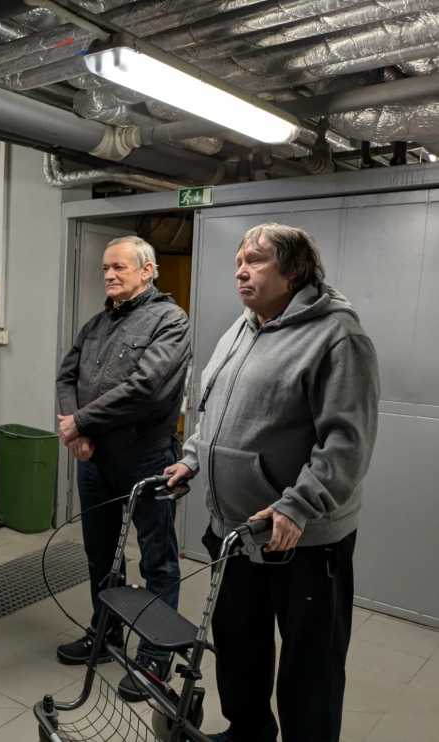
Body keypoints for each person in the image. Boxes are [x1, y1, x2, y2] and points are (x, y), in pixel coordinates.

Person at [164, 224, 379, 742]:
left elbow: (346, 443)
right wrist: (192, 458)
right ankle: (249, 732)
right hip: (236, 532)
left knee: (310, 663)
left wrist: (298, 504)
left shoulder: (338, 337)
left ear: (294, 270)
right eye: (239, 261)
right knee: (239, 642)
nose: (241, 271)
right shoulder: (242, 328)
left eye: (256, 261)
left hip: (302, 540)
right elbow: (215, 409)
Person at [55, 236, 190, 702]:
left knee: (158, 559)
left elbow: (146, 388)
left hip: (147, 458)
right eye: (105, 268)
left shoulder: (170, 321)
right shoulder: (96, 323)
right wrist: (77, 430)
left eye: (119, 268)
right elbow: (66, 375)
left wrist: (82, 421)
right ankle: (107, 628)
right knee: (100, 553)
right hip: (95, 460)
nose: (109, 275)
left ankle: (155, 654)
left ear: (147, 270)